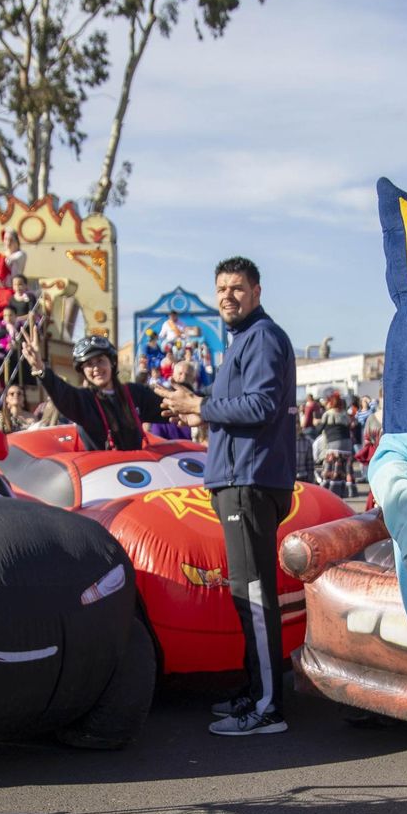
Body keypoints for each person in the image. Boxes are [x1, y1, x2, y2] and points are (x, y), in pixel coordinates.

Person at [158, 256, 297, 737]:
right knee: (247, 592)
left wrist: (200, 405)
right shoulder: (245, 339)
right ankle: (257, 688)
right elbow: (243, 410)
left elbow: (260, 404)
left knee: (253, 593)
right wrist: (199, 411)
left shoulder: (261, 338)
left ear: (256, 291)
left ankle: (267, 706)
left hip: (250, 482)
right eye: (220, 289)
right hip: (241, 479)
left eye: (237, 288)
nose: (227, 297)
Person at [20, 331, 161, 452]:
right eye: (88, 364)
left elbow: (166, 408)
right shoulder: (84, 400)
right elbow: (61, 392)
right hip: (101, 476)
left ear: (112, 362)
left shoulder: (135, 393)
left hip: (137, 474)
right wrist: (40, 368)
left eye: (100, 361)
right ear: (83, 371)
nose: (96, 368)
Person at [316, 392, 357, 497]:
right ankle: (349, 491)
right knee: (346, 468)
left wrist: (316, 422)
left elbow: (320, 429)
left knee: (332, 467)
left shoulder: (328, 414)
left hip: (334, 443)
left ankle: (330, 491)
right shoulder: (344, 414)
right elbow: (351, 426)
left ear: (331, 403)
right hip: (347, 444)